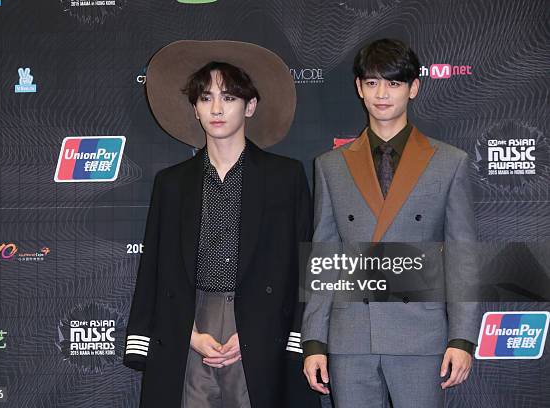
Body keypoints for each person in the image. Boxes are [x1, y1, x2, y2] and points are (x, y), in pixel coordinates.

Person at [124, 40, 316, 408]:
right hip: (191, 322)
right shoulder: (172, 183)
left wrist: (274, 335)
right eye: (206, 98)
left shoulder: (284, 177)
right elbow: (154, 268)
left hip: (261, 326)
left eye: (229, 98)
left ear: (250, 106)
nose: (216, 108)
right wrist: (185, 333)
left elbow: (303, 265)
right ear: (194, 109)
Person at [301, 38, 480, 408]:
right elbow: (325, 256)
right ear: (359, 89)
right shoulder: (330, 165)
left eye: (394, 83)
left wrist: (462, 339)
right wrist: (314, 341)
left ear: (414, 88)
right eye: (371, 82)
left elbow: (463, 257)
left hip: (420, 336)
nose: (382, 93)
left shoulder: (449, 162)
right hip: (350, 337)